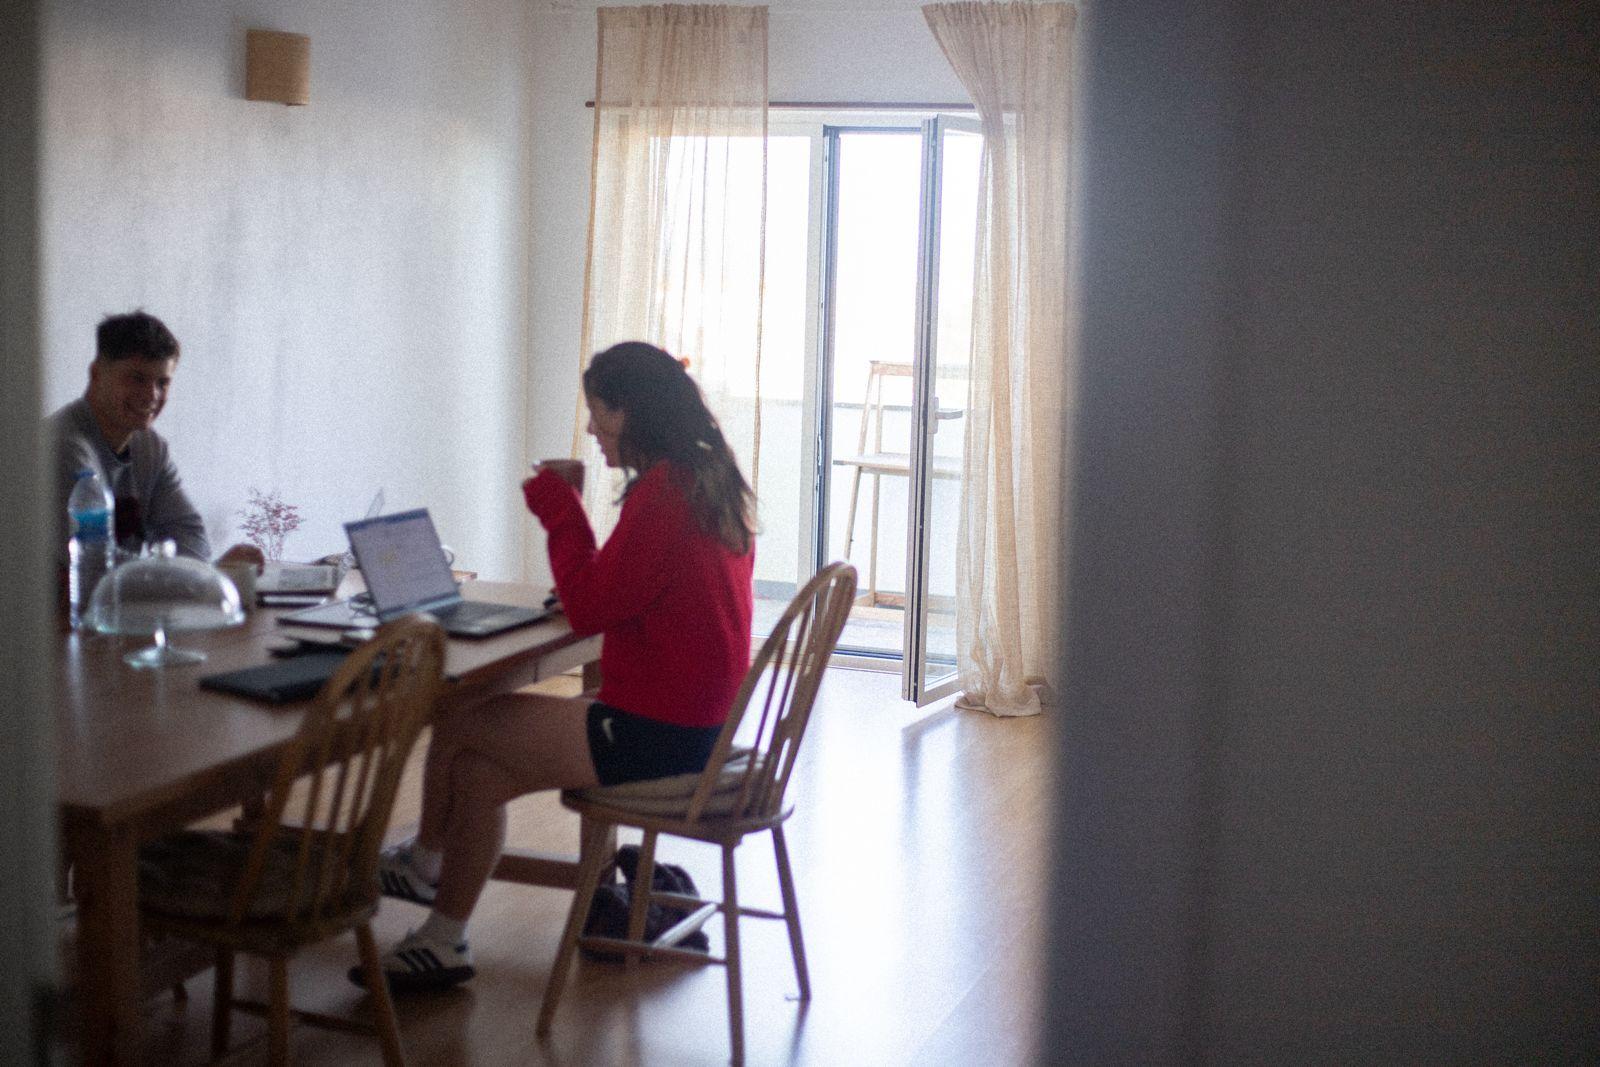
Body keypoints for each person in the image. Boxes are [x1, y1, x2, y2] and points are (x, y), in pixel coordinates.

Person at [364, 341, 756, 991]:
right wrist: (579, 528)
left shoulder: (664, 492)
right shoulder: (707, 475)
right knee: (479, 771)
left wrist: (560, 507)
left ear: (629, 412)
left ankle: (425, 860)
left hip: (656, 735)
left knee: (459, 715)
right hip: (696, 727)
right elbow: (626, 588)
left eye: (599, 414)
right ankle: (442, 937)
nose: (594, 432)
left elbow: (589, 606)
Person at [48, 310, 262, 569]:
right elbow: (90, 566)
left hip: (127, 605)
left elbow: (190, 539)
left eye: (162, 382)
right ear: (96, 375)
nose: (151, 395)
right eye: (136, 378)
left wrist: (201, 576)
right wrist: (204, 577)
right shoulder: (62, 446)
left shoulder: (151, 448)